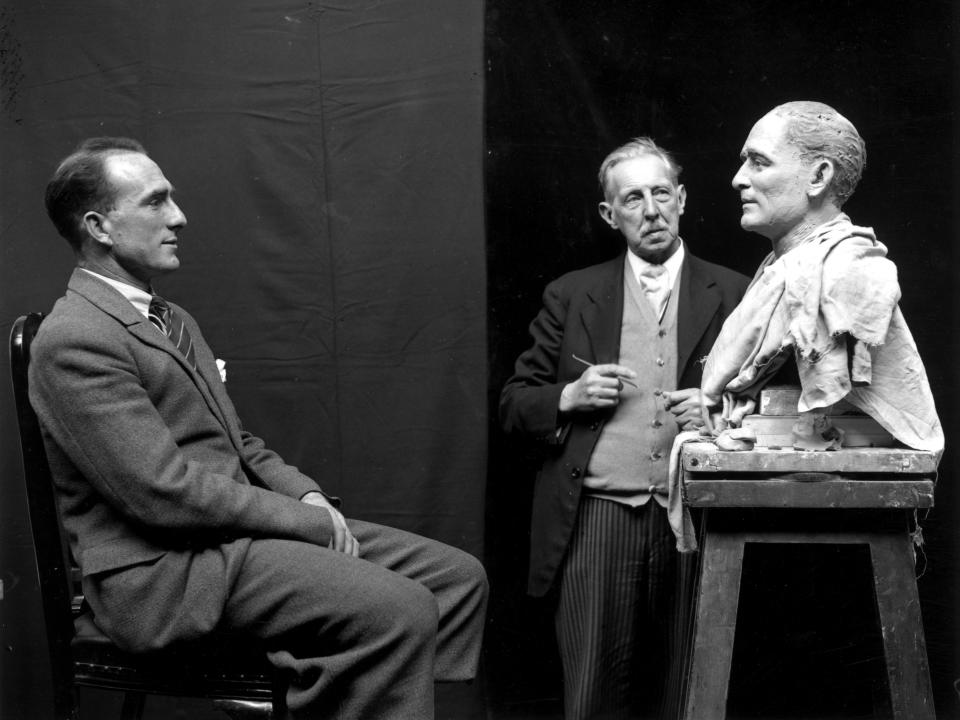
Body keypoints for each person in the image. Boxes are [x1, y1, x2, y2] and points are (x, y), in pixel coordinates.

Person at [29, 137, 488, 719]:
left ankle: (354, 694)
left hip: (229, 542)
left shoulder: (171, 318)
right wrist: (307, 525)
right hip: (165, 575)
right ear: (98, 225)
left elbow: (237, 443)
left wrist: (308, 495)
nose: (179, 216)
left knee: (456, 579)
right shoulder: (75, 339)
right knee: (396, 606)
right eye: (156, 202)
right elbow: (160, 492)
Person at [499, 137, 749, 720]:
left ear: (683, 200)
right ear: (611, 215)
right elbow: (514, 403)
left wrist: (723, 416)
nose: (651, 209)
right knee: (592, 695)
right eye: (632, 199)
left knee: (692, 693)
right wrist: (568, 395)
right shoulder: (572, 293)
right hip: (598, 517)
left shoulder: (738, 292)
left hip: (700, 513)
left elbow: (776, 408)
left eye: (661, 193)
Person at [701, 101, 943, 454]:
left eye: (758, 162)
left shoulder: (848, 269)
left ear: (818, 177)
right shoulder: (779, 268)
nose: (738, 179)